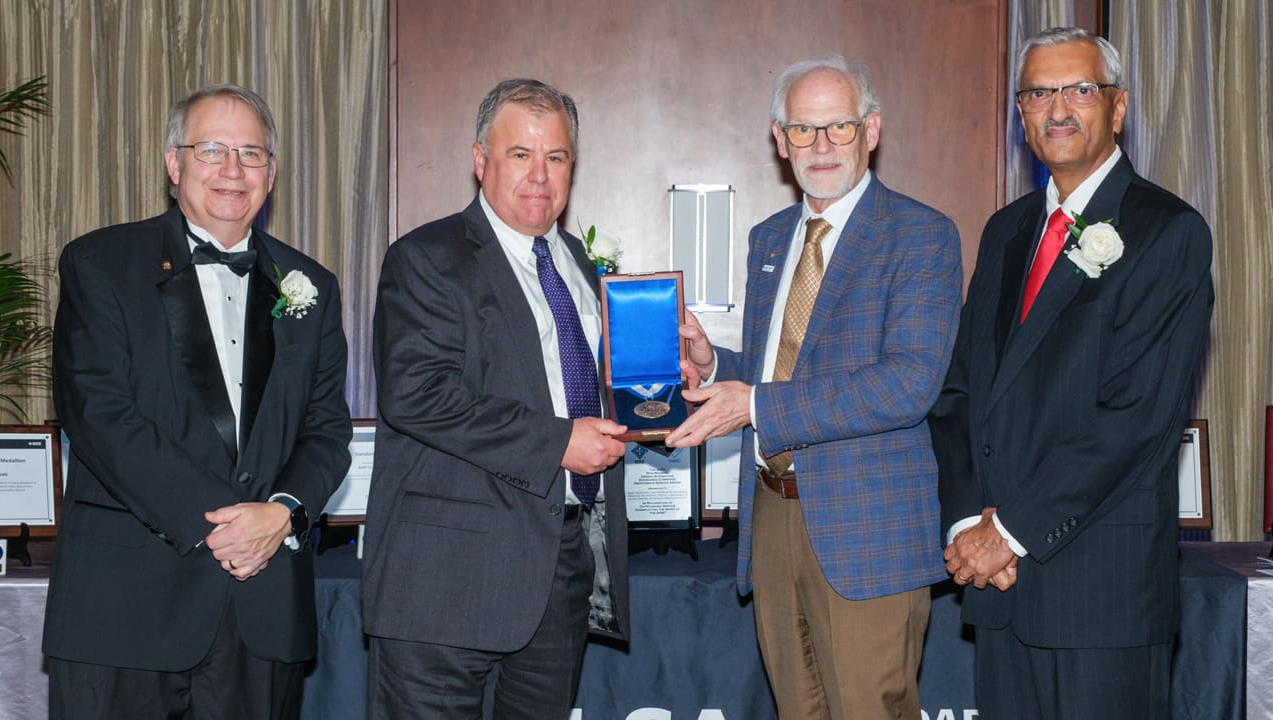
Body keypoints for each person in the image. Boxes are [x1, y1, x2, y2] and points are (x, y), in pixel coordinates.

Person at [665, 55, 962, 719]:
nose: (821, 146)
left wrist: (757, 404)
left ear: (873, 130)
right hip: (773, 518)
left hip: (867, 530)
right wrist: (716, 366)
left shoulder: (920, 235)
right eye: (803, 130)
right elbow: (787, 373)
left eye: (839, 128)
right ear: (779, 139)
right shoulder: (771, 239)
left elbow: (907, 383)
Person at [929, 27, 1214, 718]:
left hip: (1099, 598)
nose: (1058, 108)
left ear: (1116, 109)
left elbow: (1137, 420)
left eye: (1079, 89)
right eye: (1037, 93)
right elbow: (960, 393)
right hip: (1001, 591)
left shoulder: (1166, 231)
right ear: (1021, 117)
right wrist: (969, 522)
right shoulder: (1005, 231)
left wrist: (1008, 533)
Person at [45, 84, 353, 719]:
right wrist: (226, 526)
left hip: (262, 611)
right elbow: (99, 415)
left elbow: (327, 430)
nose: (232, 170)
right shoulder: (101, 263)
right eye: (211, 149)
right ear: (173, 163)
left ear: (271, 173)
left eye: (251, 153)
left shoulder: (312, 285)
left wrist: (283, 514)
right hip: (127, 611)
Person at [362, 78, 629, 719]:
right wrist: (561, 441)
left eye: (556, 157)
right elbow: (418, 396)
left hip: (558, 578)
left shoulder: (579, 267)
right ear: (481, 160)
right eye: (520, 155)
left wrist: (667, 379)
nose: (540, 175)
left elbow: (583, 390)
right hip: (444, 584)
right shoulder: (426, 257)